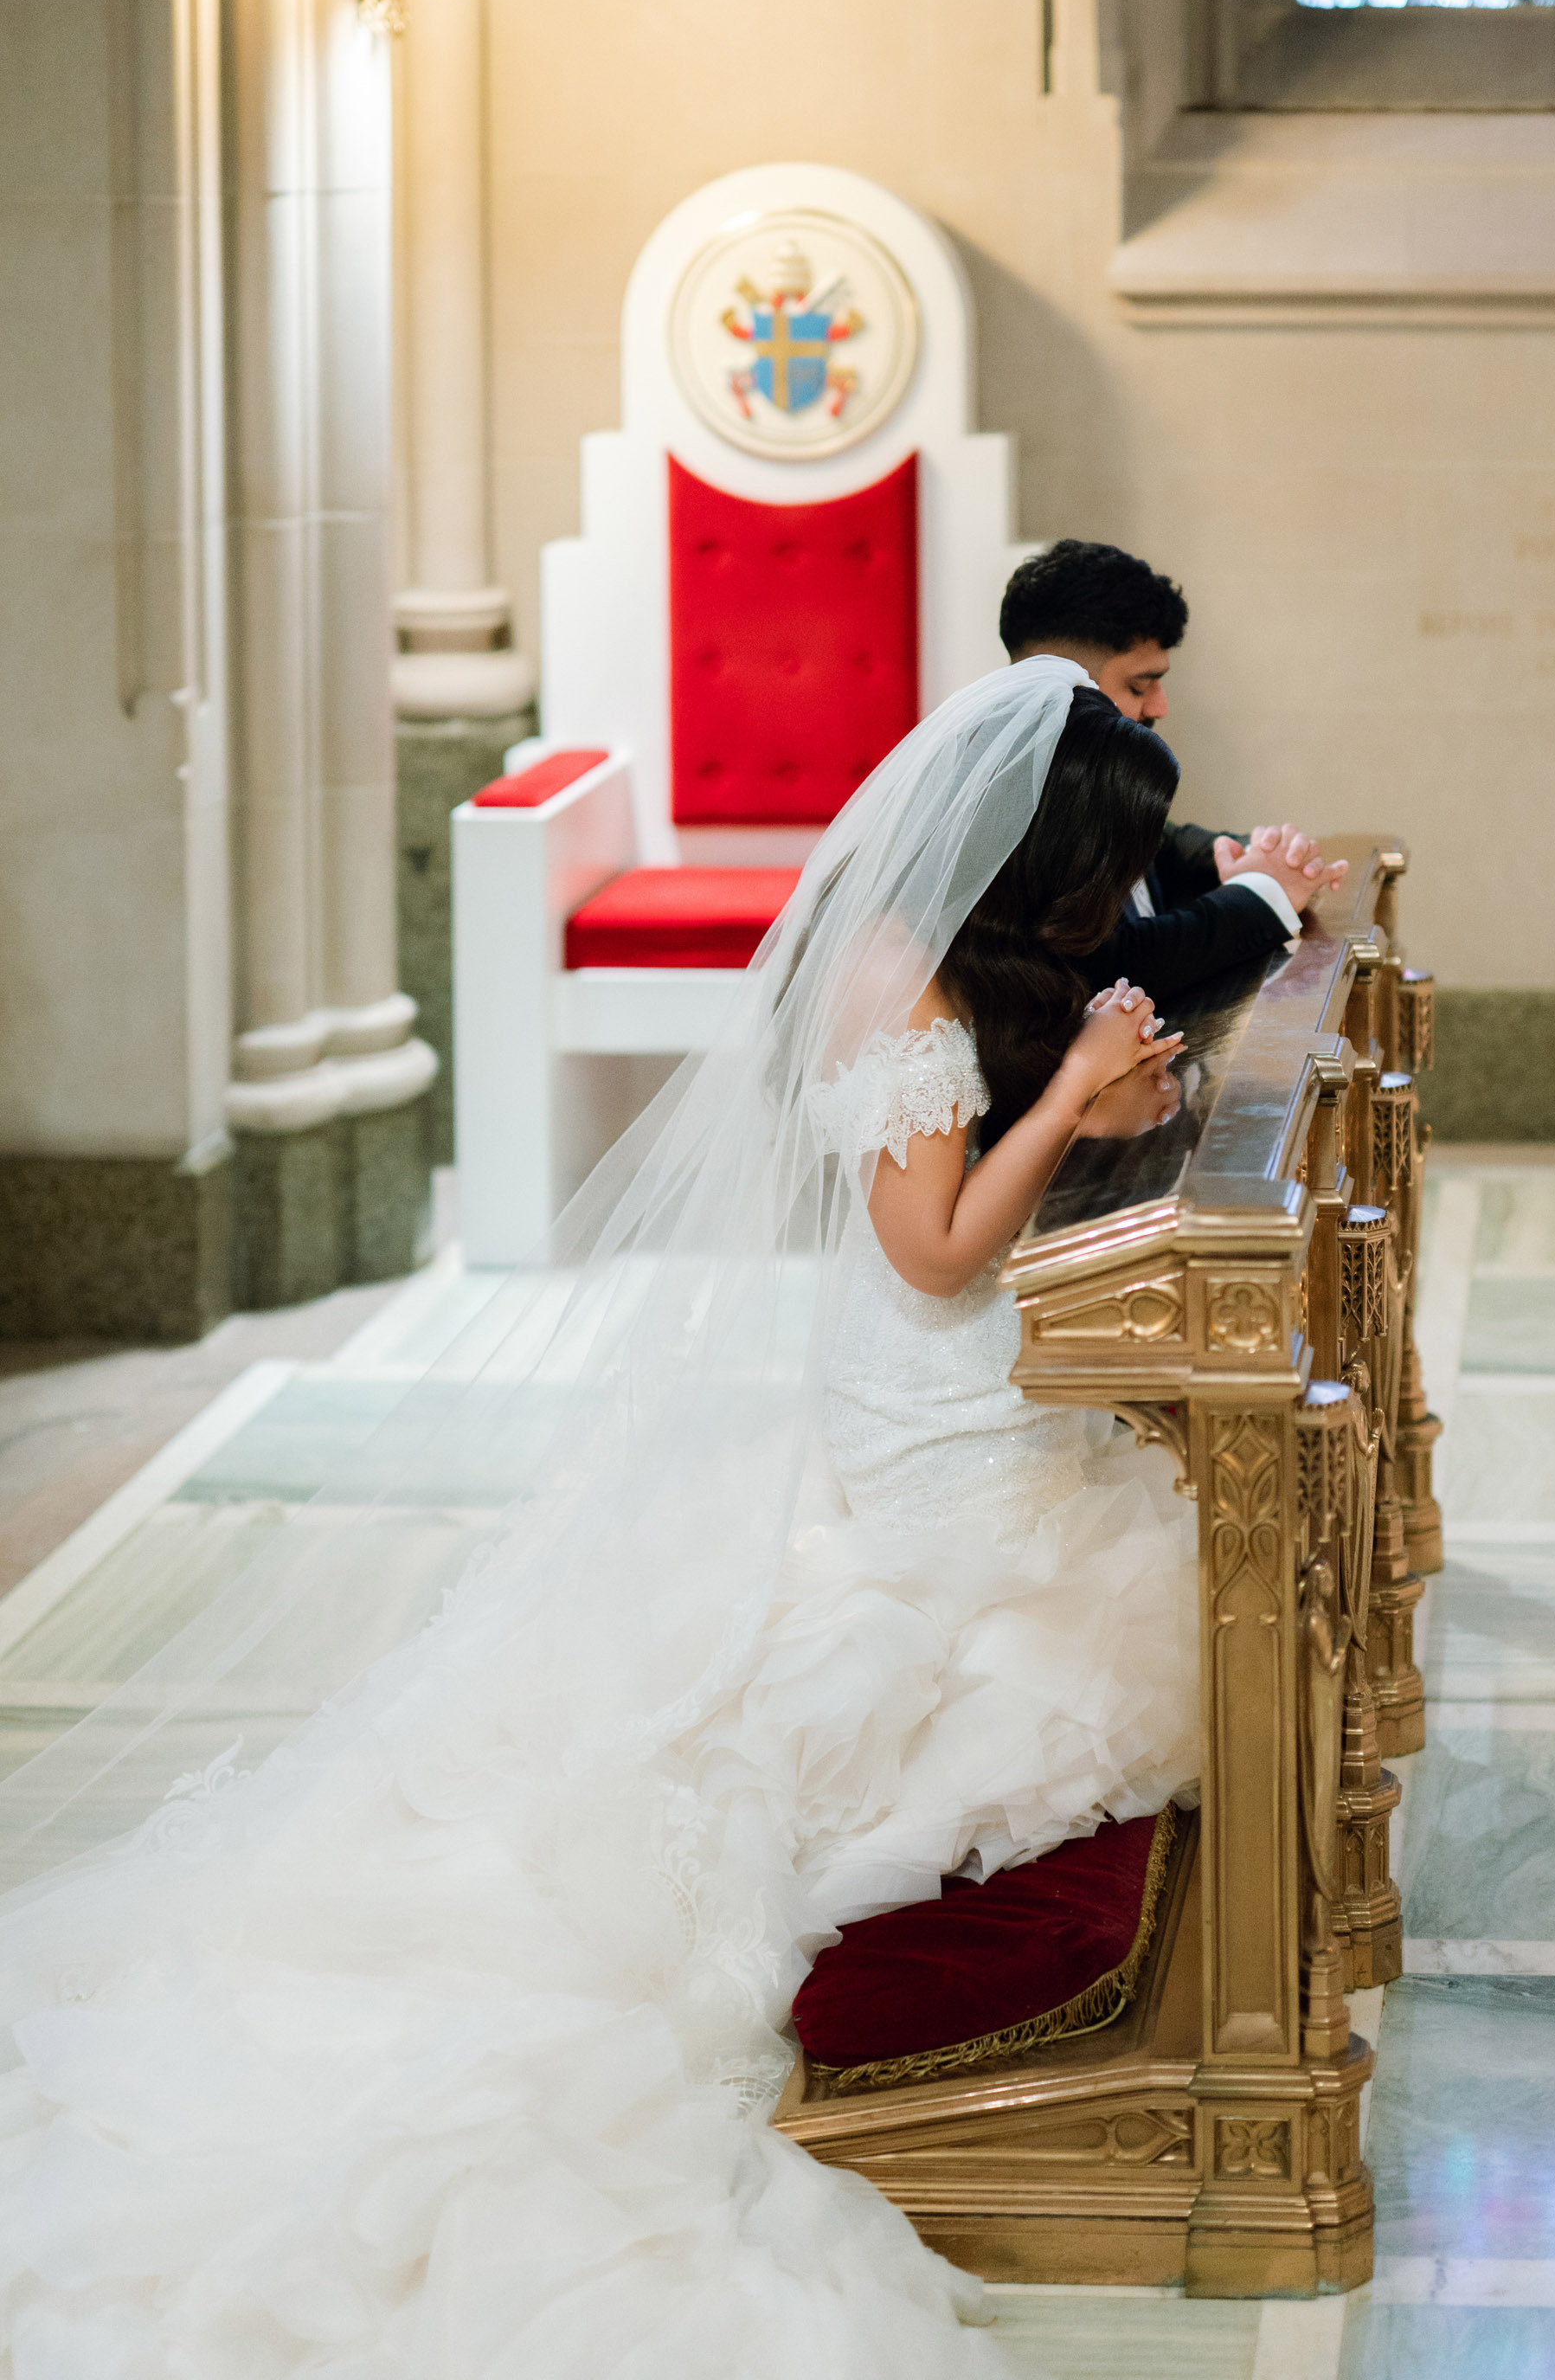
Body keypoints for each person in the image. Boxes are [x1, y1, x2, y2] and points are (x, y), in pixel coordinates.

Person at [0, 660, 1202, 2377]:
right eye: (1096, 870)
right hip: (926, 1378)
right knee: (1023, 1634)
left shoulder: (947, 959)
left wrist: (1095, 1096)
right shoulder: (895, 985)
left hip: (927, 1369)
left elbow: (949, 1201)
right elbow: (933, 1247)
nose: (1103, 906)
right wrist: (1075, 1100)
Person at [1000, 539, 1348, 1000]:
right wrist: (1263, 893)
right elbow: (1111, 965)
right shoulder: (1020, 803)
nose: (1161, 706)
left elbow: (1166, 847)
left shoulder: (1093, 786)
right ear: (1062, 681)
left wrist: (1267, 854)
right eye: (1140, 686)